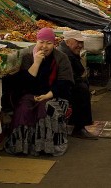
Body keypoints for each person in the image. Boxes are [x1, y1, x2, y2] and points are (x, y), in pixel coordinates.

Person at [5, 28, 74, 156]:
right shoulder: (28, 58)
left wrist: (48, 95)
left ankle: (47, 146)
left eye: (49, 43)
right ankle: (22, 147)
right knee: (24, 109)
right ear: (36, 42)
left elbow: (65, 84)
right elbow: (25, 84)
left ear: (54, 44)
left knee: (47, 108)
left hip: (55, 95)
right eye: (41, 42)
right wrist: (36, 63)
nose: (44, 46)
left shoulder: (61, 58)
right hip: (31, 94)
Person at [57, 30, 97, 140]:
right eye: (77, 42)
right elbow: (70, 77)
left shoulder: (68, 51)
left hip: (66, 83)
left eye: (81, 42)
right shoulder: (66, 54)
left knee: (83, 86)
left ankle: (77, 121)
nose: (80, 45)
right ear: (68, 41)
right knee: (82, 90)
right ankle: (79, 127)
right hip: (61, 86)